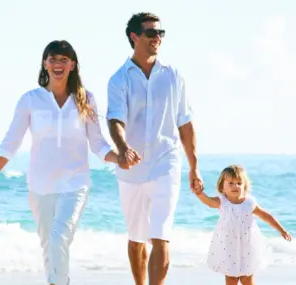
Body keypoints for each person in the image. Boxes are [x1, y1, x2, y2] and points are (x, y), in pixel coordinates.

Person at [0, 40, 121, 285]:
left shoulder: (86, 99)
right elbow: (10, 144)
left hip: (75, 185)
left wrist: (120, 158)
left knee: (58, 239)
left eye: (64, 60)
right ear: (45, 64)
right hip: (40, 187)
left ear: (72, 65)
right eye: (53, 59)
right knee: (48, 248)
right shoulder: (30, 100)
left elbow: (98, 144)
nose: (58, 64)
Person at [105, 12, 202, 285]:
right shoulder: (119, 79)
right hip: (131, 170)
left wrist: (194, 166)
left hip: (165, 164)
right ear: (134, 37)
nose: (157, 38)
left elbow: (185, 123)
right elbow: (115, 120)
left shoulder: (173, 76)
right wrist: (123, 148)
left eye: (160, 33)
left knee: (161, 235)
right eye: (151, 33)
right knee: (137, 238)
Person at [191, 165, 292, 285]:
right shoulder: (222, 202)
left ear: (245, 186)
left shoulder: (249, 203)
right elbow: (208, 201)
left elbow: (266, 216)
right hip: (228, 247)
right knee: (231, 279)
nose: (235, 186)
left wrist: (281, 230)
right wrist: (199, 193)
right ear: (222, 186)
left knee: (247, 279)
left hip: (247, 246)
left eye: (239, 183)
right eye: (231, 183)